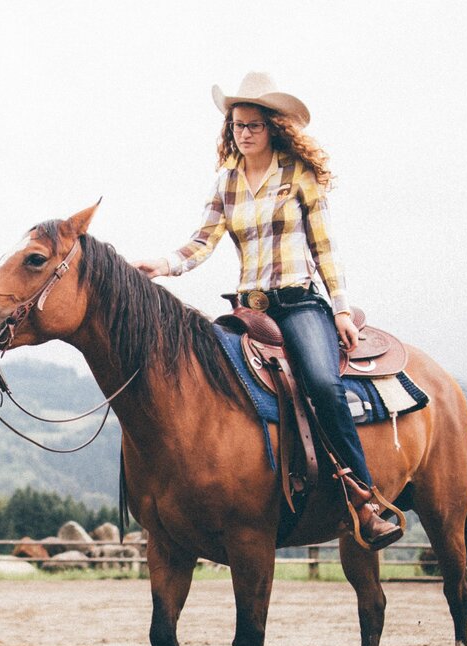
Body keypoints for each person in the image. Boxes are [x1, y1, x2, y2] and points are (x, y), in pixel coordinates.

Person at [132, 71, 402, 547]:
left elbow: (324, 247)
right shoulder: (227, 183)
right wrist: (163, 265)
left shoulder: (298, 175)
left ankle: (365, 499)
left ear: (273, 127)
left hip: (298, 303)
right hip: (247, 309)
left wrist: (339, 308)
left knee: (321, 382)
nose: (245, 132)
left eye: (254, 124)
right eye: (237, 125)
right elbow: (202, 242)